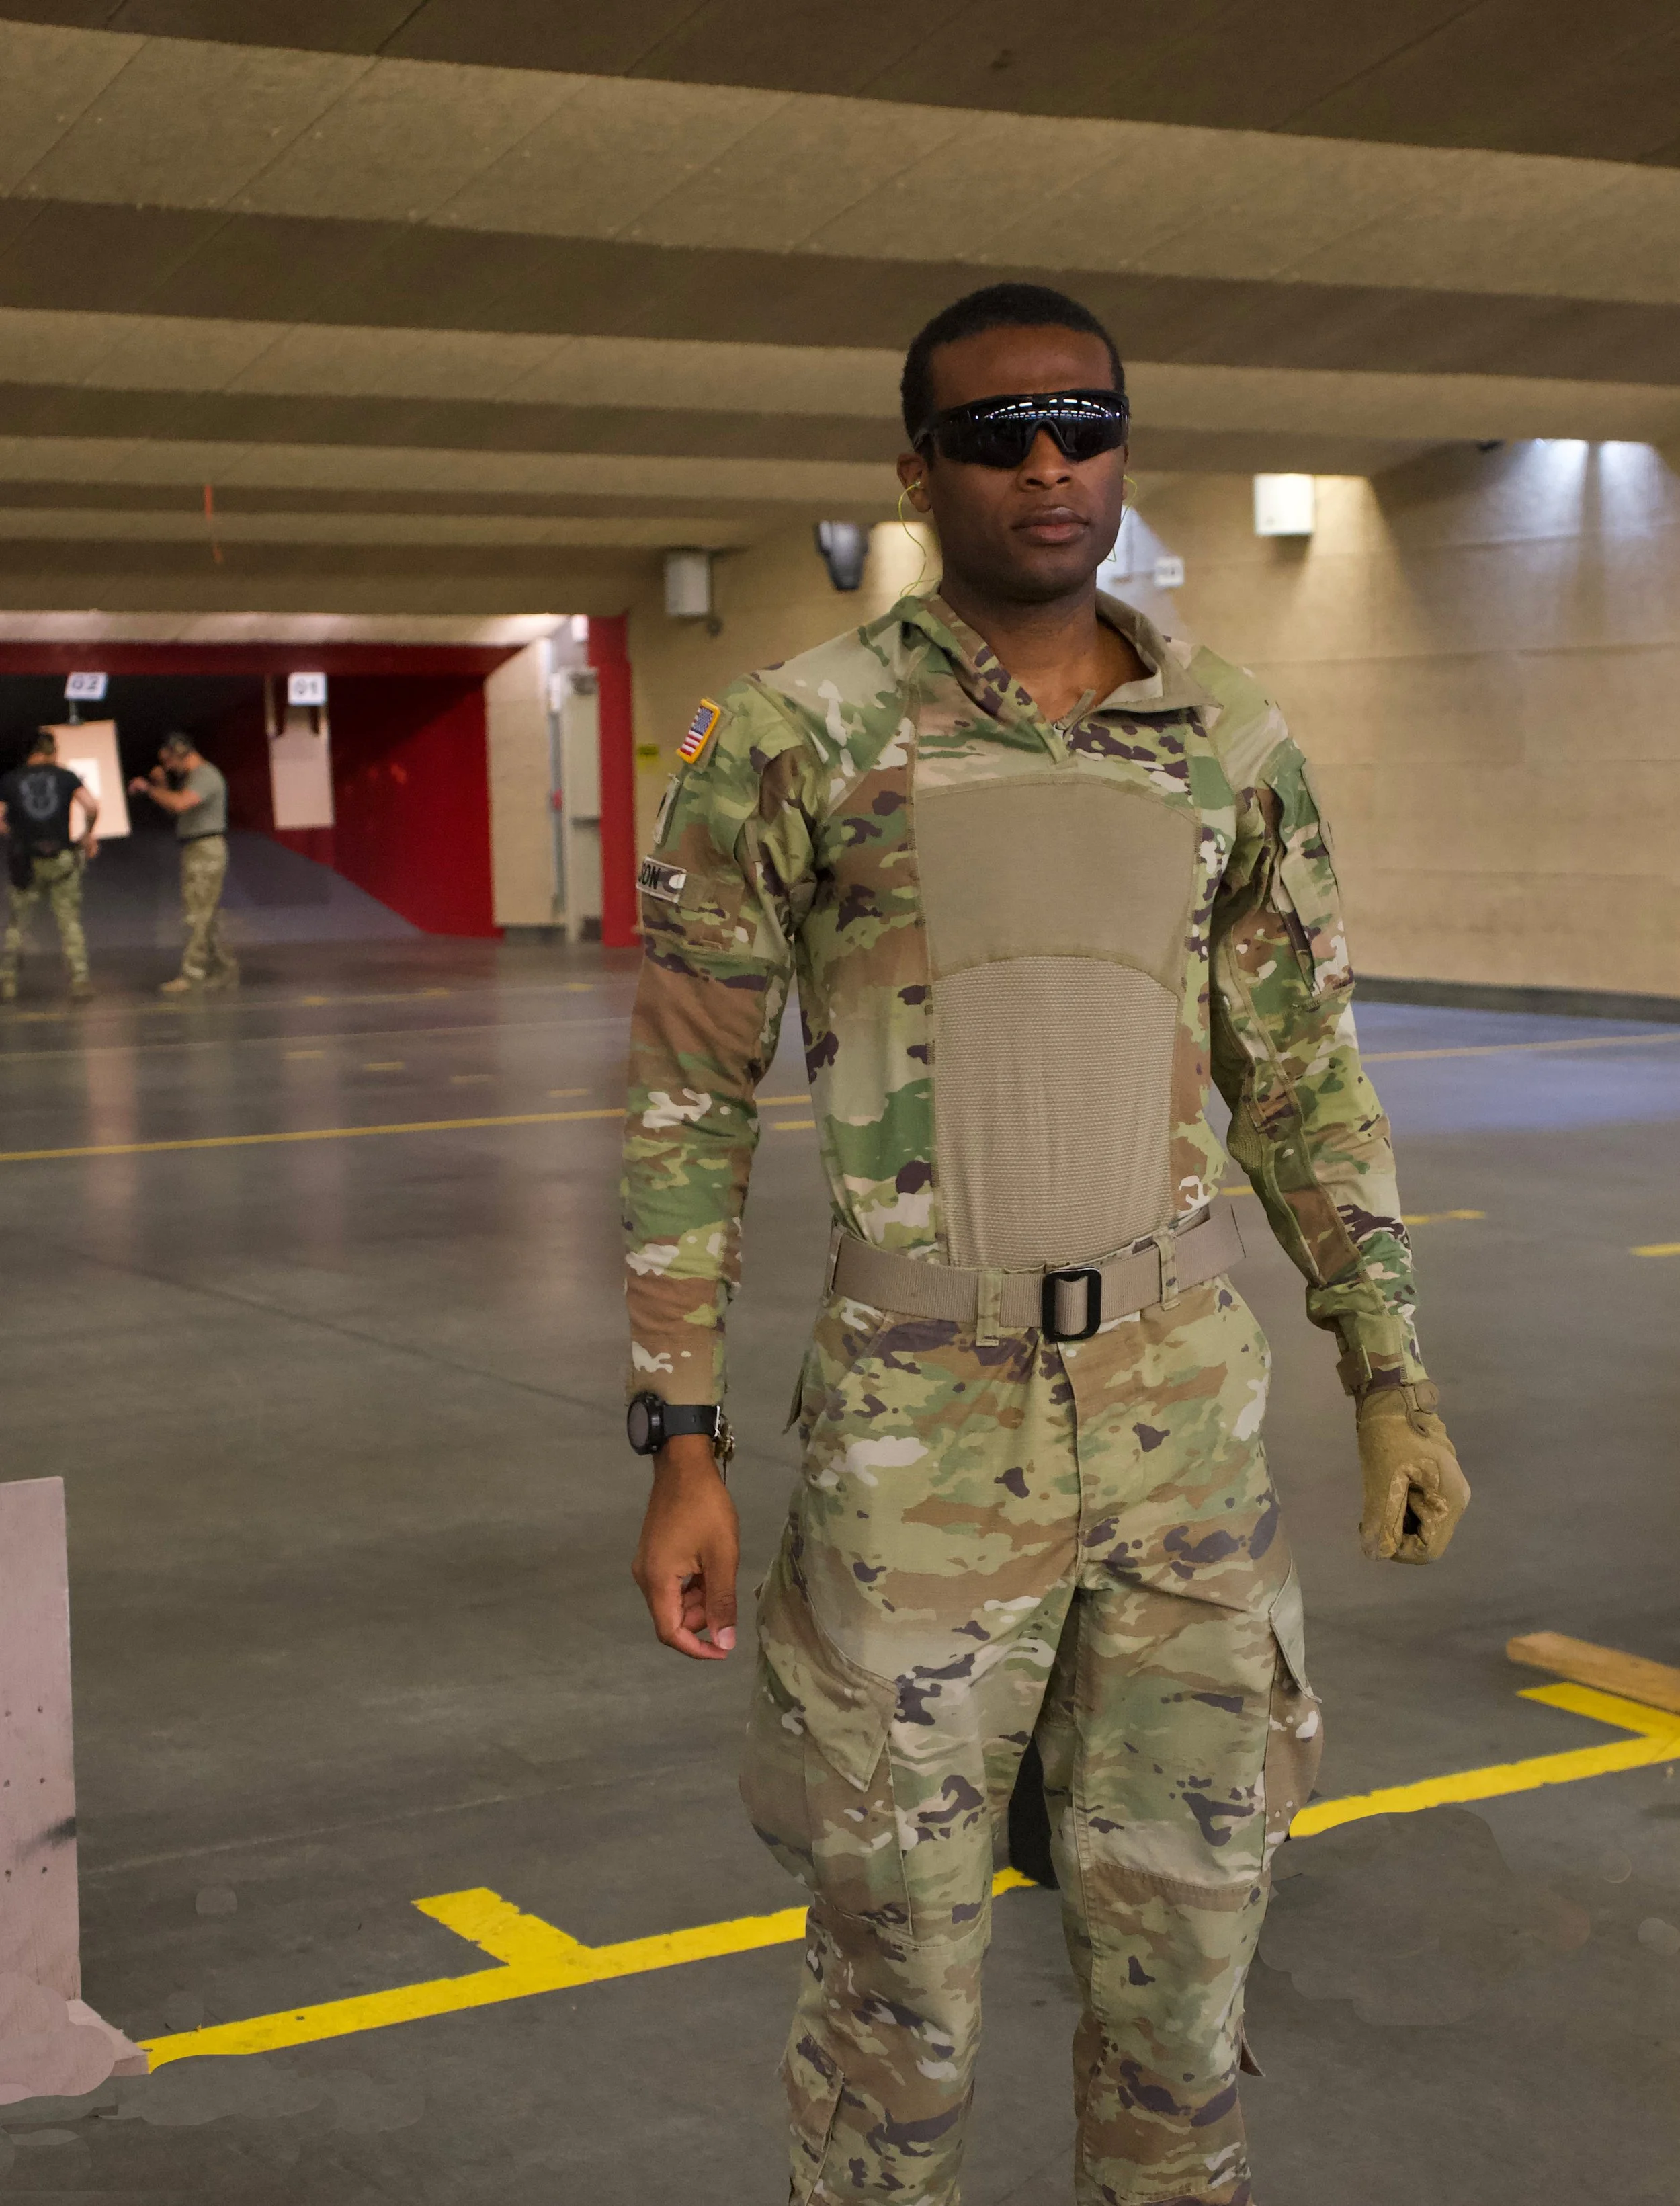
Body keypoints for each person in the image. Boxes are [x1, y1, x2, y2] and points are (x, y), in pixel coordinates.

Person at [622, 282, 1471, 2206]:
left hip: (1181, 1430)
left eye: (1080, 425)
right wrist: (677, 1434)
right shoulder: (796, 737)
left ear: (1120, 449)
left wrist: (1388, 1370)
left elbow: (1305, 1078)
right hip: (915, 1447)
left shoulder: (1225, 734)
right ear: (914, 469)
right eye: (996, 433)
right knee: (894, 1981)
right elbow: (683, 1102)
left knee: (1185, 1951)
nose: (1045, 464)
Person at [128, 733, 239, 995]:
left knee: (198, 916)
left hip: (206, 849)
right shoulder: (194, 778)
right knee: (206, 916)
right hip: (197, 848)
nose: (168, 767)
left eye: (169, 762)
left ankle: (193, 974)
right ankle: (223, 970)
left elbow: (179, 804)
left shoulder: (205, 776)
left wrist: (149, 788)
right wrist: (161, 784)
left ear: (181, 753)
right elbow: (175, 807)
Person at [0, 728, 98, 1004]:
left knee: (18, 923)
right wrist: (88, 834)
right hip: (61, 858)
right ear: (52, 751)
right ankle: (79, 981)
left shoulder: (10, 780)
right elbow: (90, 806)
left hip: (26, 861)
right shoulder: (66, 776)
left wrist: (16, 836)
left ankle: (7, 981)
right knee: (69, 922)